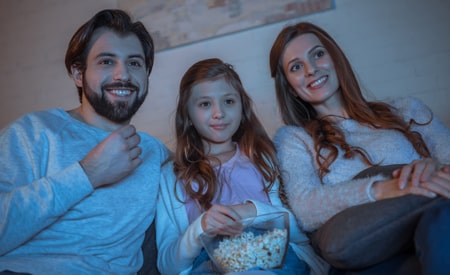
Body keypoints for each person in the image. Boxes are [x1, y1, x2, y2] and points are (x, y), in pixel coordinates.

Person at [269, 21, 450, 274]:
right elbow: (305, 209)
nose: (311, 70)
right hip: (365, 250)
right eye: (296, 67)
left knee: (440, 222)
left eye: (318, 54)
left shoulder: (408, 110)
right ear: (290, 87)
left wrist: (435, 166)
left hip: (431, 232)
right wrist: (383, 188)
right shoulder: (295, 139)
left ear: (336, 58)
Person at [0, 9, 169, 274]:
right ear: (78, 74)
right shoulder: (32, 133)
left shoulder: (154, 153)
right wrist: (87, 173)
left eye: (135, 63)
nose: (123, 75)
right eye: (106, 62)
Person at [156, 58, 328, 274]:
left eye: (228, 101)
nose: (219, 113)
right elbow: (167, 266)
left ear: (242, 107)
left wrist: (252, 211)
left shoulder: (262, 158)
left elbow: (297, 231)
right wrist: (201, 227)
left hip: (273, 255)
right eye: (205, 104)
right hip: (210, 263)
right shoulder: (171, 176)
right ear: (187, 115)